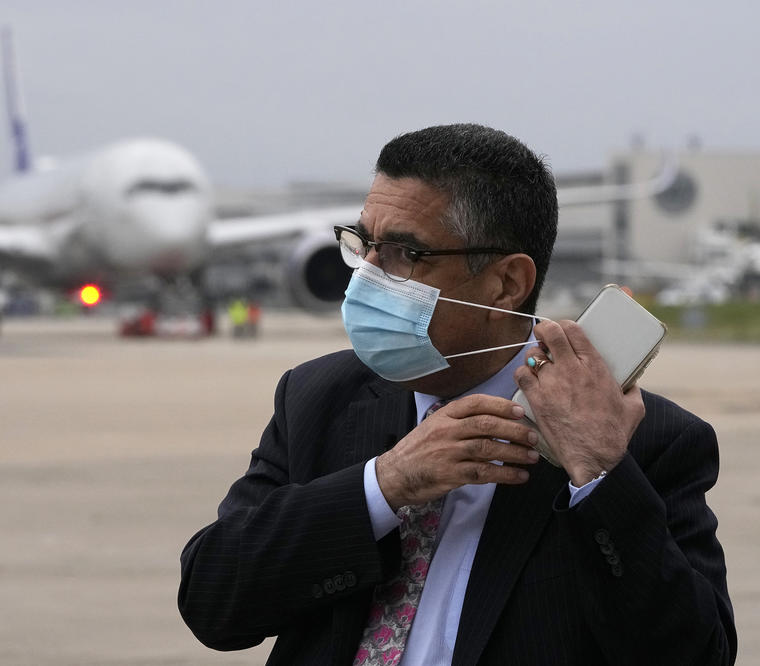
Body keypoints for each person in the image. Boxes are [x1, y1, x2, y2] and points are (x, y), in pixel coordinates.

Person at [178, 124, 736, 665]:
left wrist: (598, 472)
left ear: (507, 283)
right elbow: (212, 601)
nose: (364, 278)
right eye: (363, 245)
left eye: (404, 253)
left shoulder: (647, 440)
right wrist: (383, 485)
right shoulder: (318, 396)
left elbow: (692, 652)